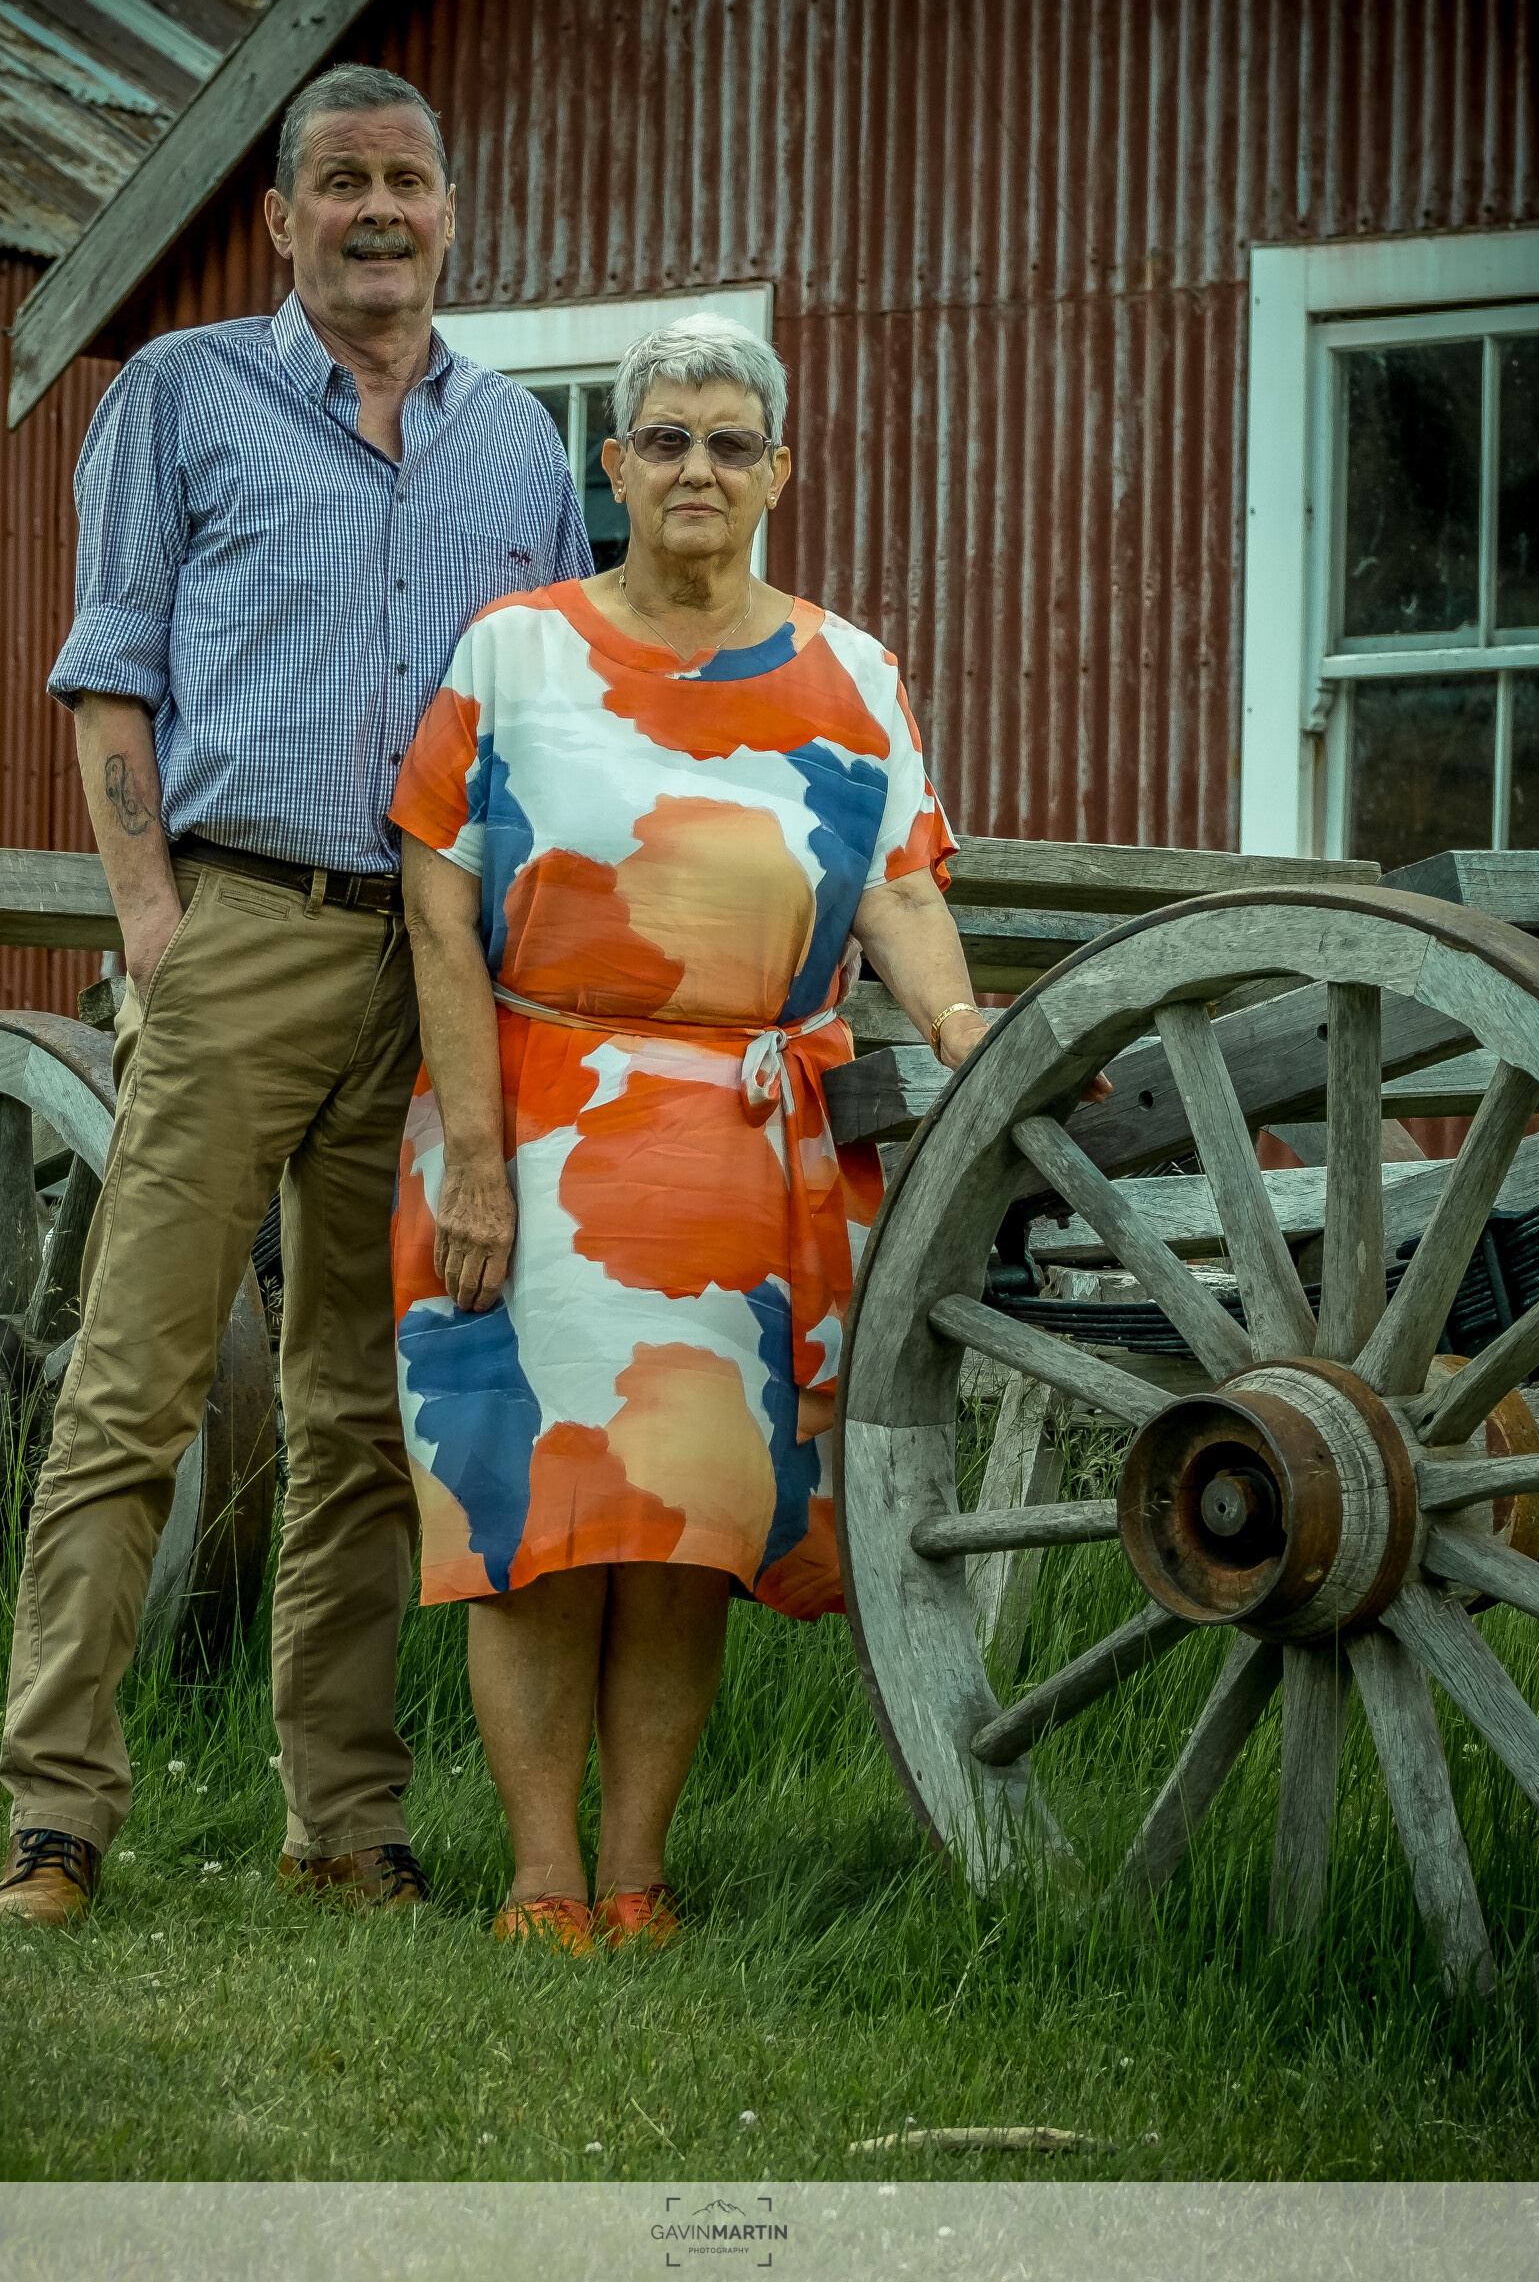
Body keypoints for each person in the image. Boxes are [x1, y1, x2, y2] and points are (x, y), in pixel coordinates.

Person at [0, 65, 593, 1925]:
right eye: (342, 181)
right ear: (280, 218)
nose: (379, 210)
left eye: (408, 179)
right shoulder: (180, 396)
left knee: (356, 1413)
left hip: (440, 969)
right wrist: (154, 923)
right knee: (135, 1382)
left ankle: (345, 1824)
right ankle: (56, 1818)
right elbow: (111, 670)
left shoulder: (522, 448)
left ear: (452, 214)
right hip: (240, 929)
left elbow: (560, 711)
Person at [389, 315, 991, 1951]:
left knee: (680, 1530)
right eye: (665, 440)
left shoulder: (852, 672)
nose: (697, 469)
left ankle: (638, 1878)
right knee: (536, 1526)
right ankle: (541, 1882)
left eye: (731, 442)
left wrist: (957, 1025)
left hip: (749, 1157)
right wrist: (476, 1164)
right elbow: (440, 914)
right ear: (616, 466)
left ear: (779, 471)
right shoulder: (513, 652)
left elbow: (901, 891)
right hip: (540, 1139)